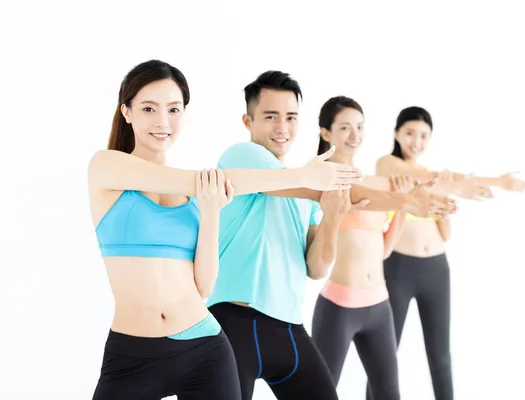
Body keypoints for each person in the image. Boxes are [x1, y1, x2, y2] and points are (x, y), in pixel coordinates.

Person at [87, 59, 365, 400]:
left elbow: (204, 285)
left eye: (174, 109)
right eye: (149, 108)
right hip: (132, 355)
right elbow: (205, 180)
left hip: (203, 348)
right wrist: (298, 176)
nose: (163, 121)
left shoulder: (197, 197)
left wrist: (210, 211)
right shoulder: (106, 167)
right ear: (127, 112)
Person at [205, 71, 459, 400]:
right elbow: (323, 186)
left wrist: (333, 217)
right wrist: (405, 201)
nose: (282, 127)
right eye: (271, 117)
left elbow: (316, 266)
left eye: (291, 117)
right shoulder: (242, 157)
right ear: (248, 120)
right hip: (236, 321)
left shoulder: (306, 189)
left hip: (288, 326)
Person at [309, 97, 492, 400]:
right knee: (322, 392)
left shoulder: (373, 181)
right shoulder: (323, 179)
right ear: (326, 133)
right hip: (341, 306)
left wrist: (405, 204)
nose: (355, 135)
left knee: (389, 394)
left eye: (360, 127)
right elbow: (349, 200)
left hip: (378, 305)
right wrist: (414, 196)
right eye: (345, 127)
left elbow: (382, 249)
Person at [369, 106, 525, 400]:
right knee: (385, 355)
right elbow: (423, 178)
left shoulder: (434, 180)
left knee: (441, 358)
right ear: (396, 133)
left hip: (436, 270)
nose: (416, 141)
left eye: (423, 136)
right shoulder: (388, 165)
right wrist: (481, 182)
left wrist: (457, 190)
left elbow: (445, 234)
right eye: (409, 133)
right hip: (399, 270)